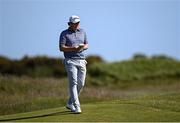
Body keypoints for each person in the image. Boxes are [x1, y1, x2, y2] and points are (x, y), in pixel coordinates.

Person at [59, 15, 88, 114]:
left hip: (82, 60)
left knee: (81, 83)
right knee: (73, 83)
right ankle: (77, 106)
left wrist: (82, 48)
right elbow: (61, 48)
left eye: (78, 23)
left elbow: (87, 44)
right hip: (70, 61)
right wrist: (74, 48)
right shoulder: (64, 33)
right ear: (70, 24)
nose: (76, 25)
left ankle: (70, 103)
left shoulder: (83, 31)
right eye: (74, 23)